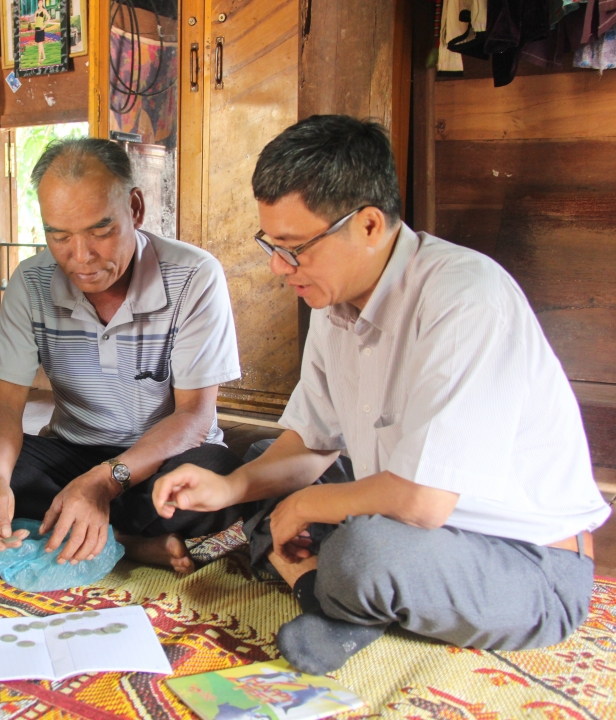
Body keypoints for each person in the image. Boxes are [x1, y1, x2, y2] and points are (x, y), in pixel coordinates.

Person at [152, 115, 611, 674]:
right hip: (415, 529)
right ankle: (330, 593)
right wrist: (228, 489)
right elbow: (310, 444)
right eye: (271, 245)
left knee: (364, 552)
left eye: (294, 248)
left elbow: (422, 501)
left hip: (525, 563)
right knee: (255, 467)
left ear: (369, 225)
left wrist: (305, 507)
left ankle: (322, 588)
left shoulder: (465, 298)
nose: (278, 267)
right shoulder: (334, 300)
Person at [0, 138, 248, 575]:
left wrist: (102, 484)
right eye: (59, 236)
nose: (81, 258)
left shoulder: (194, 276)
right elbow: (3, 400)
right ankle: (127, 541)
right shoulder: (32, 282)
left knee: (216, 472)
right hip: (74, 452)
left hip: (159, 461)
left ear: (134, 208)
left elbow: (194, 418)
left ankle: (78, 523)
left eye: (100, 231)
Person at [33, 0, 49, 64]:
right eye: (39, 3)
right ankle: (44, 56)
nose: (40, 4)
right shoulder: (36, 11)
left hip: (41, 29)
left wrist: (44, 25)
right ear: (38, 4)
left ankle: (39, 60)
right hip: (37, 29)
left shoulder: (44, 10)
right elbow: (35, 21)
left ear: (42, 3)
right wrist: (35, 17)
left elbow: (49, 17)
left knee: (40, 45)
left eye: (41, 3)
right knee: (40, 44)